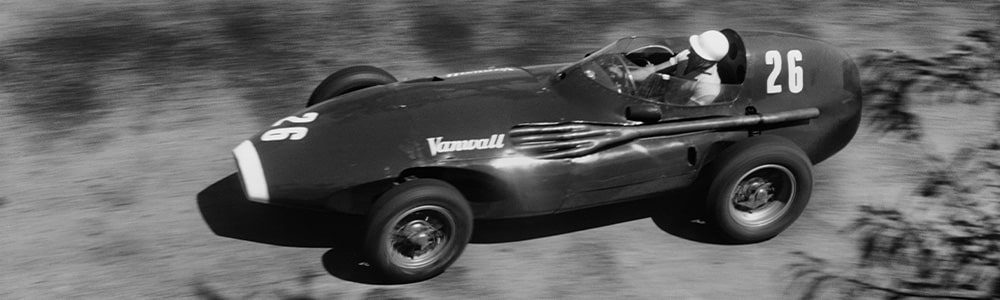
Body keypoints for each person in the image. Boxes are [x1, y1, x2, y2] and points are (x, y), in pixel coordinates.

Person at [631, 30, 730, 105]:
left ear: (707, 61)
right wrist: (626, 75)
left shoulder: (708, 89)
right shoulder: (686, 55)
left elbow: (684, 114)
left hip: (669, 115)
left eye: (695, 54)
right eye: (692, 49)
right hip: (661, 100)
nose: (689, 54)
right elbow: (653, 70)